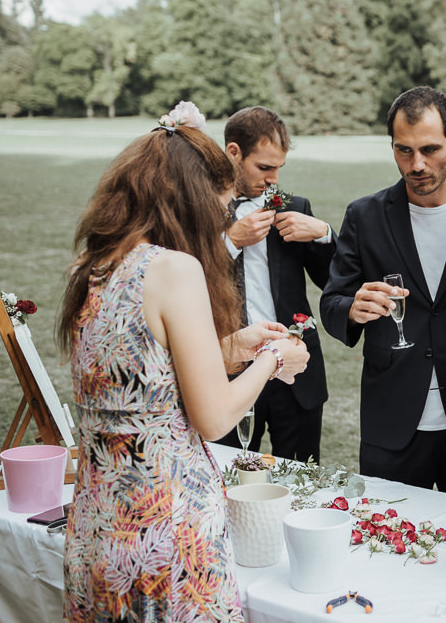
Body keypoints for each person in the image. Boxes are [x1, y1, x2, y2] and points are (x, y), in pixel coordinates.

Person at [57, 101, 309, 621]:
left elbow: (140, 372)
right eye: (217, 210)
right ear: (190, 203)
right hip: (165, 531)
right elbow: (214, 417)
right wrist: (270, 359)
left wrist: (235, 345)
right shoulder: (173, 269)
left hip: (96, 524)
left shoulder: (91, 266)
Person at [319, 86, 446, 494]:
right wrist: (352, 308)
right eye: (403, 151)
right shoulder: (364, 215)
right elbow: (331, 302)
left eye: (430, 150)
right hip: (391, 420)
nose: (417, 164)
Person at [215, 106, 336, 462]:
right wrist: (230, 242)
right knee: (229, 477)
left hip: (294, 368)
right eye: (264, 168)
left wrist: (324, 234)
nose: (274, 180)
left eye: (279, 168)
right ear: (233, 152)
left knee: (302, 475)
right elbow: (186, 281)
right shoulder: (200, 210)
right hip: (229, 370)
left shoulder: (295, 207)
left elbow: (333, 280)